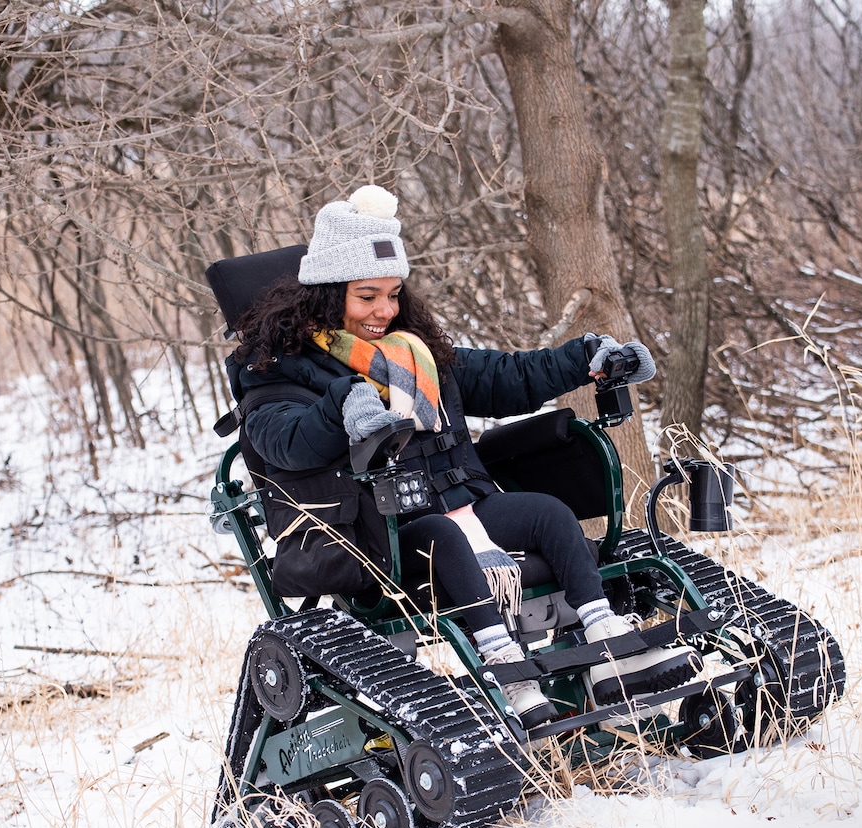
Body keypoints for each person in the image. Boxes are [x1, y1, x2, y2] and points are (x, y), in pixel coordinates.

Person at [227, 185, 695, 728]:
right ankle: (504, 670)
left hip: (464, 504)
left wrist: (586, 359)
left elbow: (509, 377)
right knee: (446, 538)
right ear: (329, 297)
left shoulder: (416, 354)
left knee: (547, 512)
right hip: (385, 535)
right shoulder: (278, 372)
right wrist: (341, 406)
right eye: (367, 296)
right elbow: (283, 441)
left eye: (393, 294)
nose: (385, 310)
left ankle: (611, 646)